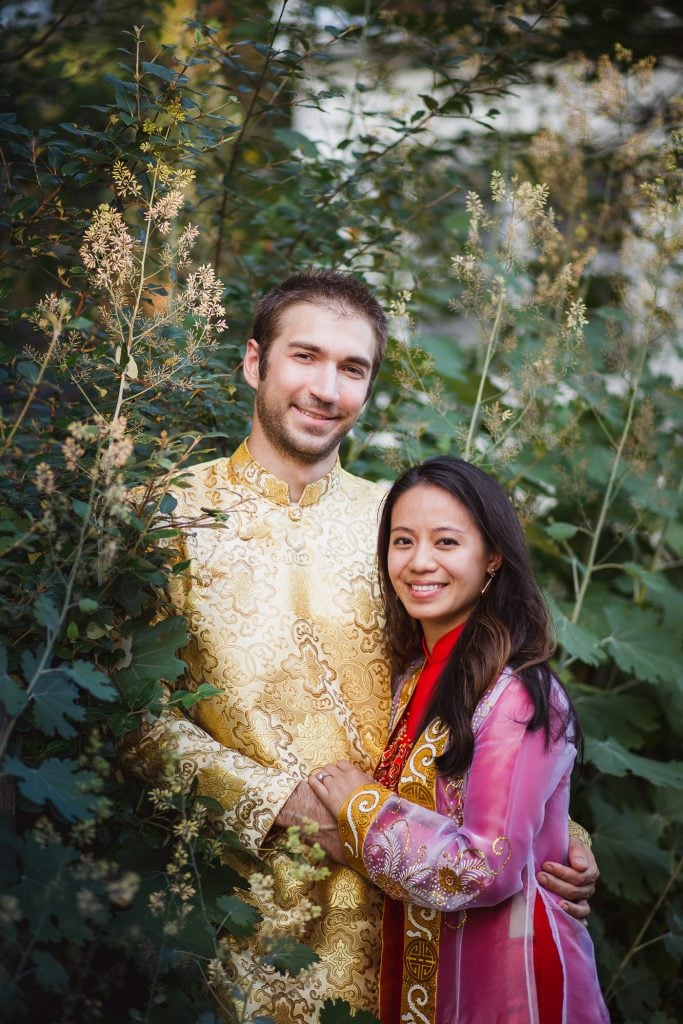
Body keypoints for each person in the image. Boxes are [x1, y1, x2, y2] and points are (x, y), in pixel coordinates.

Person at [123, 271, 599, 1023]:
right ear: (255, 363)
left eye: (352, 369)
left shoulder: (402, 525)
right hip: (245, 914)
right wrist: (274, 802)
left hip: (418, 916)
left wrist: (555, 831)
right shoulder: (167, 517)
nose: (325, 388)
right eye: (304, 357)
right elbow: (133, 718)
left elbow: (478, 691)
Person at [309, 456, 610, 1024]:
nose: (420, 562)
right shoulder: (418, 674)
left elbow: (488, 867)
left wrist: (361, 807)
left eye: (446, 542)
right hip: (435, 975)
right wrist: (564, 831)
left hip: (507, 983)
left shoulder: (516, 695)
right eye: (403, 541)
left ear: (492, 557)